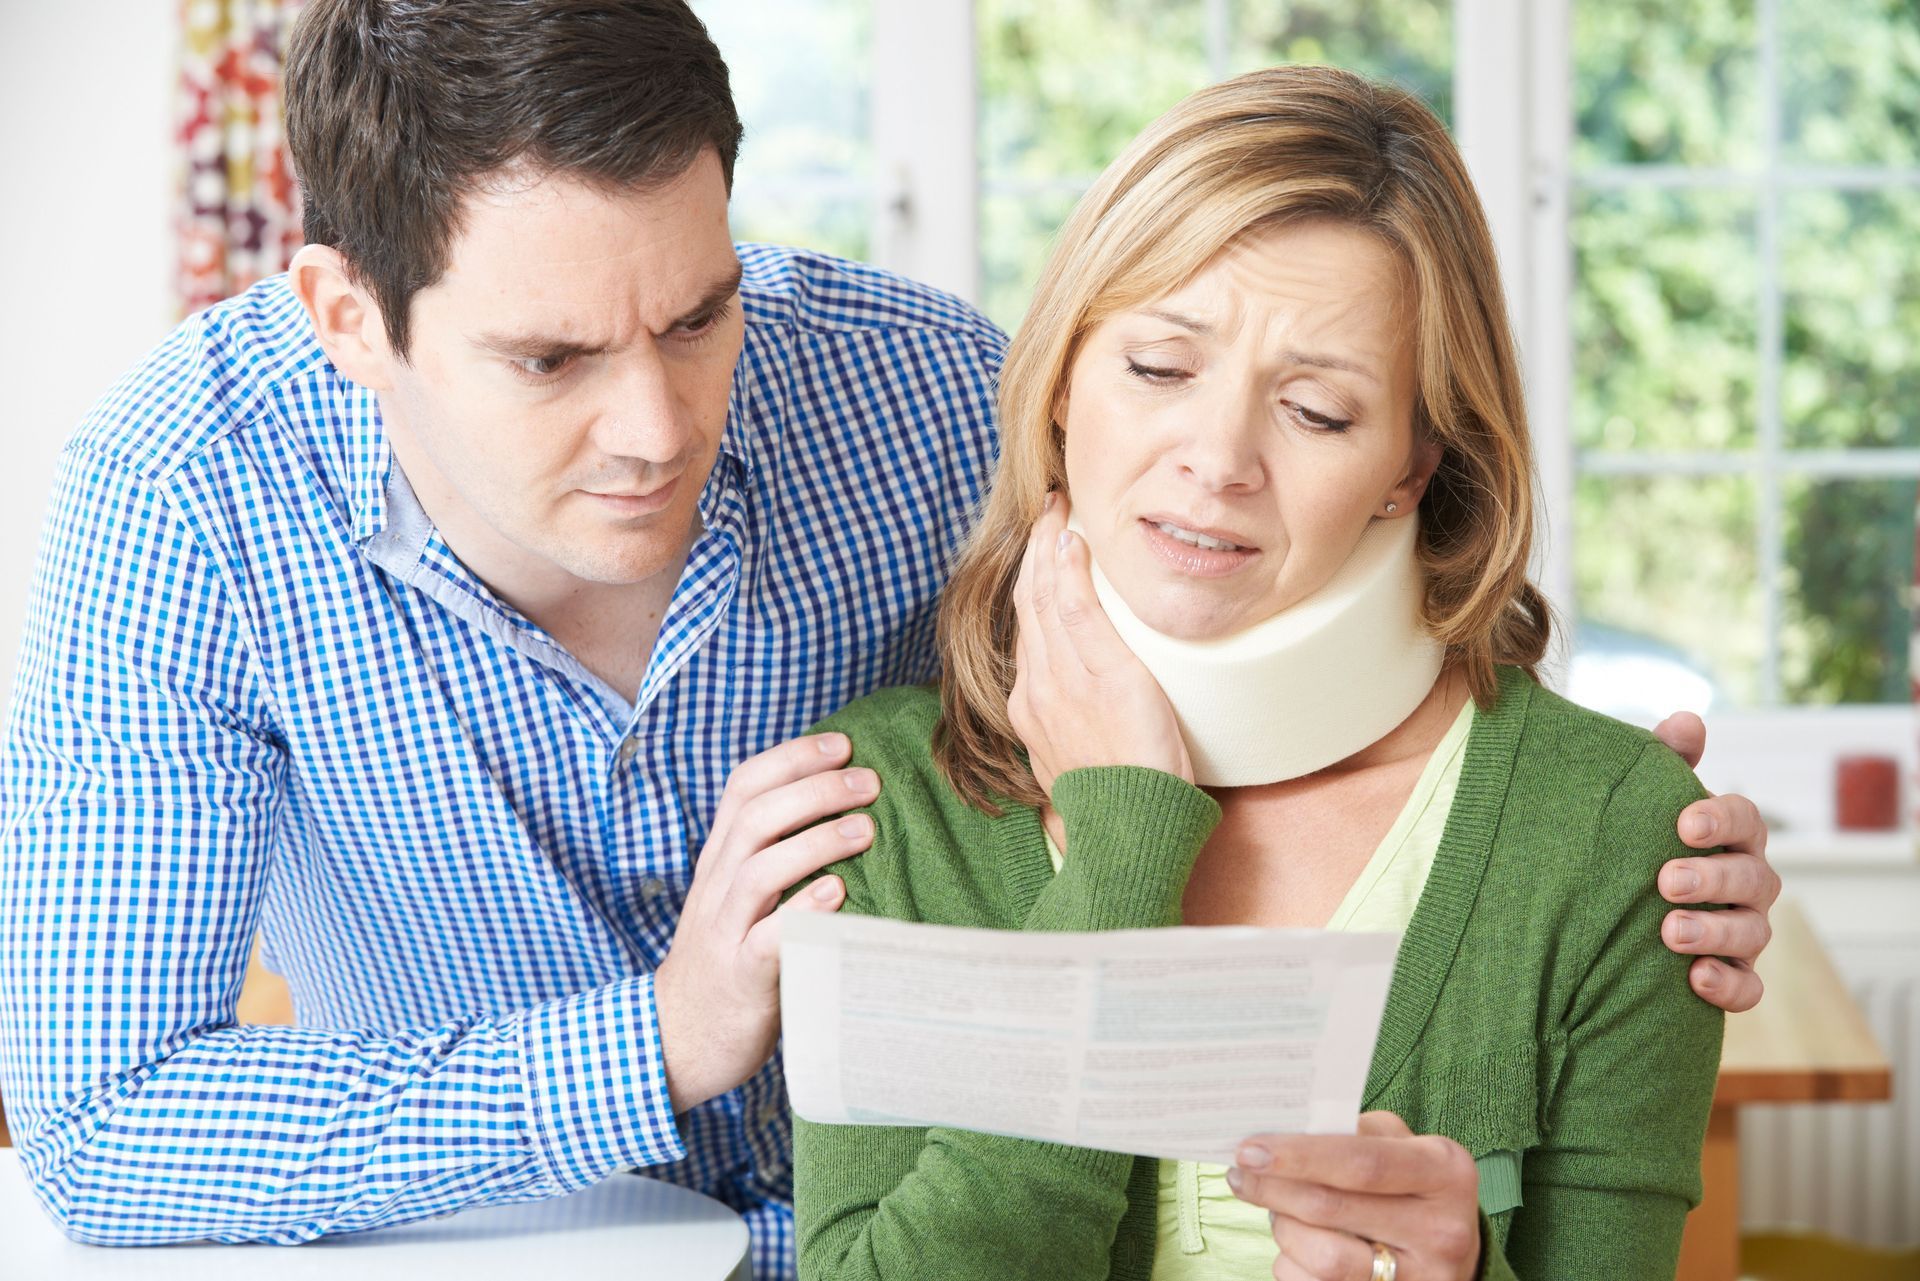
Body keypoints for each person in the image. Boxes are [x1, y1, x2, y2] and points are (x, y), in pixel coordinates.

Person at [0, 4, 1770, 1277]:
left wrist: (1598, 821)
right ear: (347, 322)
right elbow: (97, 1128)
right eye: (550, 361)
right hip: (542, 1247)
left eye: (701, 314)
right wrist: (657, 1038)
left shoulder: (923, 391)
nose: (656, 425)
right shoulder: (186, 507)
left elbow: (1245, 570)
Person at [793, 66, 1737, 1280]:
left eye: (1318, 412)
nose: (1218, 459)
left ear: (1412, 463)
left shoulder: (1615, 834)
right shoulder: (882, 803)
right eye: (1157, 369)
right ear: (1063, 383)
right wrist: (1125, 840)